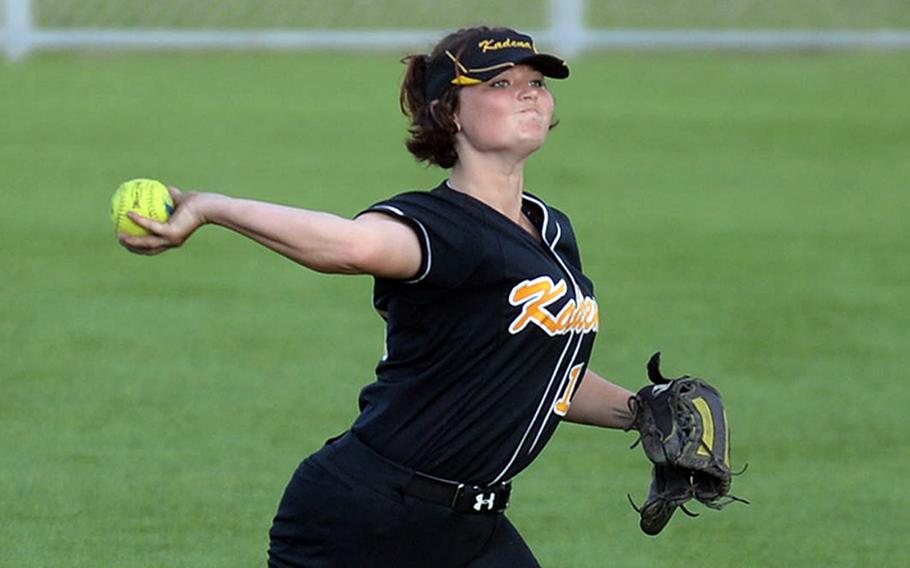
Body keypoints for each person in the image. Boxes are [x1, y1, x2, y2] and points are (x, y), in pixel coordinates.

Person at [120, 25, 636, 568]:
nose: (529, 92)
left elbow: (541, 374)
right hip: (368, 521)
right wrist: (211, 207)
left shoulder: (551, 230)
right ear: (450, 112)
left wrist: (641, 413)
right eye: (501, 82)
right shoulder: (439, 226)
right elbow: (348, 245)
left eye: (536, 81)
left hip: (471, 529)